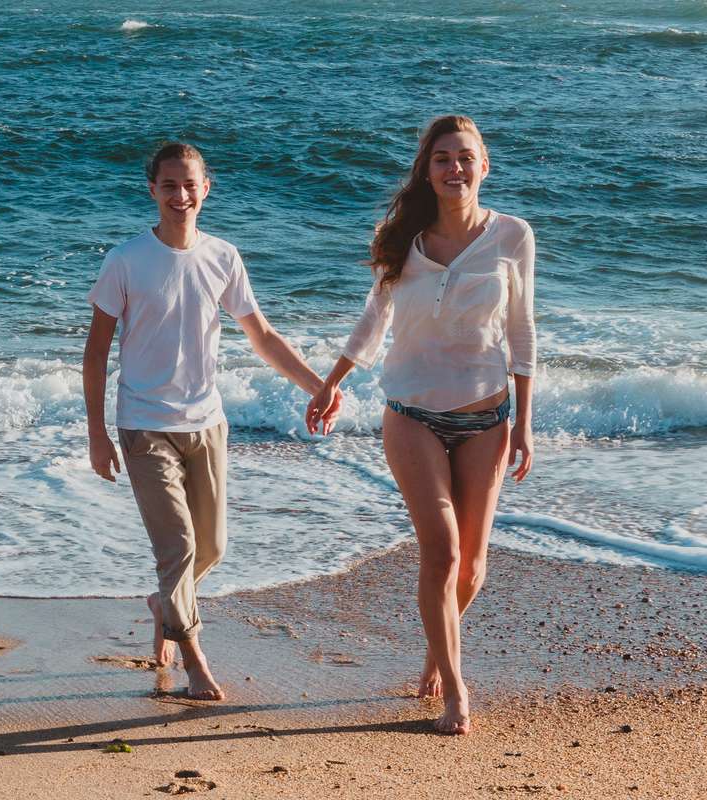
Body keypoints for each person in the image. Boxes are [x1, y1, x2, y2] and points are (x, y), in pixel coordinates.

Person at [306, 115, 535, 734]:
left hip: (486, 416)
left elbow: (521, 332)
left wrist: (524, 423)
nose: (454, 168)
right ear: (427, 170)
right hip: (410, 414)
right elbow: (371, 325)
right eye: (442, 159)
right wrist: (330, 383)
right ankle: (455, 693)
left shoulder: (513, 236)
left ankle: (439, 647)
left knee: (473, 569)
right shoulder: (400, 239)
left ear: (484, 165)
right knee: (442, 552)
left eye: (465, 157)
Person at [84, 142, 330, 701]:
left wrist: (319, 387)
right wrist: (98, 435)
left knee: (211, 547)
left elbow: (262, 336)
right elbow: (96, 352)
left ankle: (163, 604)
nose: (180, 195)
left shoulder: (223, 256)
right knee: (177, 551)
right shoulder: (125, 260)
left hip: (208, 422)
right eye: (168, 185)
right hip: (144, 424)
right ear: (152, 191)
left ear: (205, 189)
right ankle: (195, 662)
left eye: (189, 184)